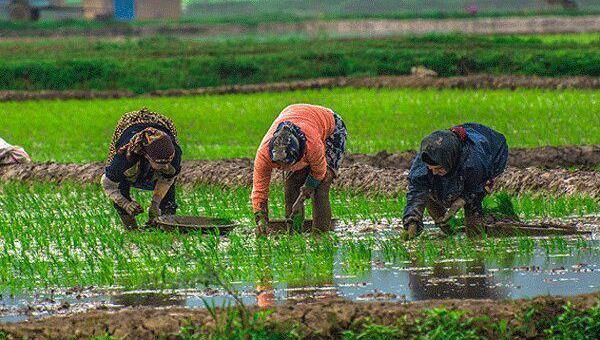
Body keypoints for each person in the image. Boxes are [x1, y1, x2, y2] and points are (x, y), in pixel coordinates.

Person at [252, 104, 347, 233]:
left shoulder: (312, 146)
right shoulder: (264, 154)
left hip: (331, 128)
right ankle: (295, 234)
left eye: (287, 165)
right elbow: (259, 191)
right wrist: (261, 221)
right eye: (279, 165)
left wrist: (302, 197)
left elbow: (318, 174)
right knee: (291, 184)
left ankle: (320, 236)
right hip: (296, 116)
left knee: (321, 186)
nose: (282, 169)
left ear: (299, 155)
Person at [403, 123, 508, 238]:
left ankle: (477, 230)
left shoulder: (474, 162)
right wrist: (412, 221)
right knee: (428, 192)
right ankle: (448, 230)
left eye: (439, 168)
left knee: (473, 222)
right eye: (430, 168)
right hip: (454, 160)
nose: (434, 172)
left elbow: (477, 186)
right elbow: (416, 192)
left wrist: (460, 202)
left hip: (490, 153)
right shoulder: (423, 164)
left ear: (448, 161)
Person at [101, 108, 182, 229]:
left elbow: (168, 179)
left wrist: (155, 204)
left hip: (162, 124)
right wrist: (126, 204)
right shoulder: (123, 158)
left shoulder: (174, 154)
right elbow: (108, 184)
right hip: (129, 126)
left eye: (167, 162)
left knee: (168, 200)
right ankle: (131, 230)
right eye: (160, 163)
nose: (165, 167)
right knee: (121, 184)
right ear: (147, 156)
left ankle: (164, 227)